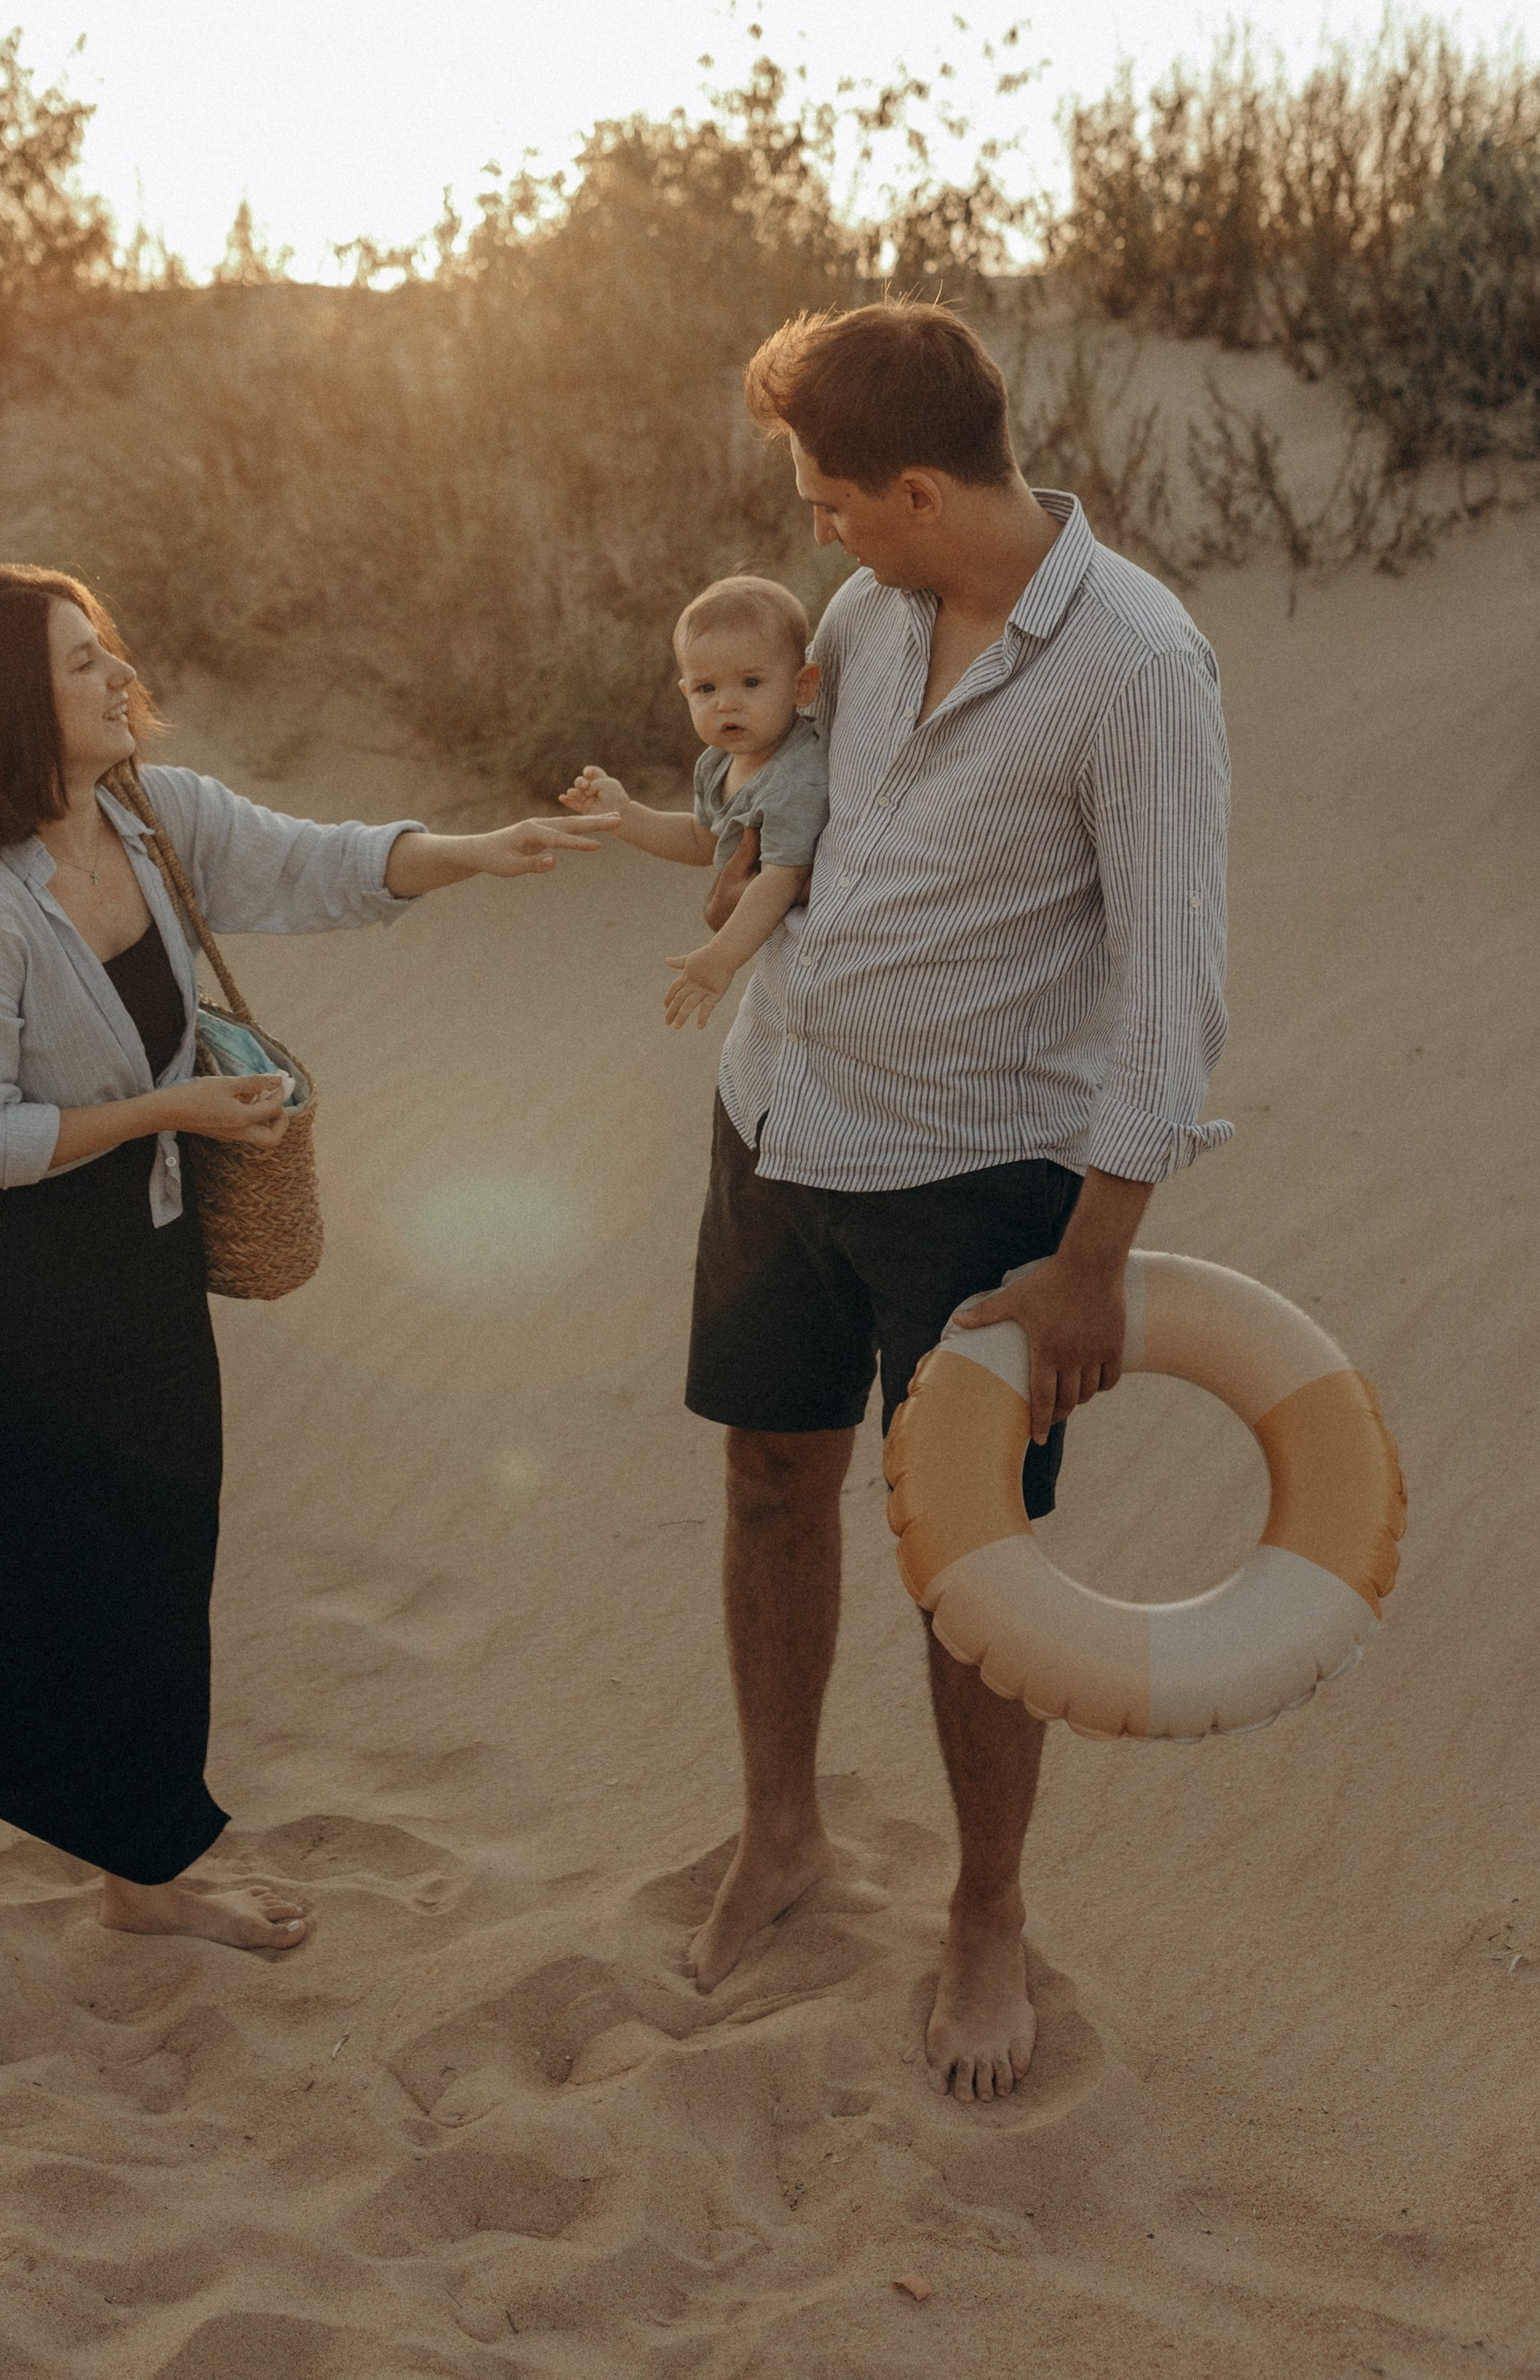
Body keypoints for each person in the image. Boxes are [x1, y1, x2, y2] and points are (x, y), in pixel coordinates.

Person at [0, 561, 610, 1951]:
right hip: (13, 1278)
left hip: (140, 1248)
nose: (114, 677)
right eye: (78, 665)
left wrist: (467, 852)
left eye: (104, 651)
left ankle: (143, 1876)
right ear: (10, 711)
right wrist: (172, 1109)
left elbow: (308, 860)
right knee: (35, 1578)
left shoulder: (151, 813)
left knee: (156, 1558)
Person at [677, 302, 1230, 2102]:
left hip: (969, 1180)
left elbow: (1168, 988)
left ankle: (986, 1913)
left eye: (832, 497)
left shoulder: (1139, 669)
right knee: (769, 1476)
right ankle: (781, 1837)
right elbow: (809, 823)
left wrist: (1092, 1262)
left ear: (918, 486)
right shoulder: (865, 608)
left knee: (966, 1567)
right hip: (774, 1120)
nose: (813, 527)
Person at [559, 575, 827, 1030]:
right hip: (769, 944)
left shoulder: (795, 775)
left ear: (801, 686)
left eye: (751, 682)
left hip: (819, 950)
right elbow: (701, 841)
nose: (727, 703)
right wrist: (625, 814)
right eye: (707, 689)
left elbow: (782, 878)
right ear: (686, 693)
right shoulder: (717, 764)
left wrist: (721, 959)